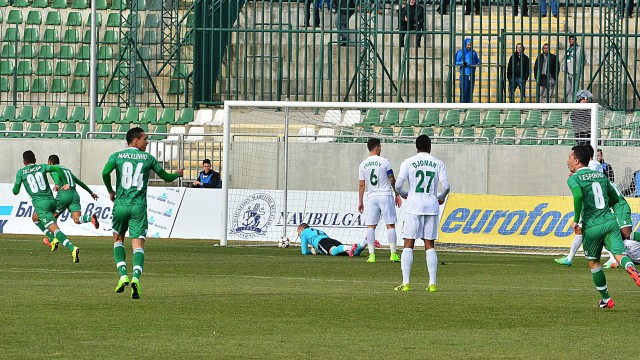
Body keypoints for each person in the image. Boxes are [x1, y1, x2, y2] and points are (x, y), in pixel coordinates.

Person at [102, 127, 184, 299]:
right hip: (138, 207)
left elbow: (105, 172)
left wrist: (110, 190)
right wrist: (176, 173)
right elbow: (167, 178)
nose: (147, 142)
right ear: (135, 141)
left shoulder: (116, 156)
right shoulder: (148, 159)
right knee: (138, 245)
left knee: (118, 239)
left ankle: (123, 275)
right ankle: (136, 278)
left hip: (120, 205)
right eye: (145, 139)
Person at [564, 145, 640, 309]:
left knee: (594, 263)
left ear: (576, 161)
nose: (567, 160)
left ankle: (606, 299)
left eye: (569, 157)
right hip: (610, 221)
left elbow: (577, 195)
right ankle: (633, 270)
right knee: (619, 254)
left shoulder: (574, 178)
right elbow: (614, 198)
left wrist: (576, 219)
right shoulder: (600, 175)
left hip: (592, 226)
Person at [394, 135, 450, 292]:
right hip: (431, 207)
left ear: (416, 147)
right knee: (429, 245)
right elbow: (446, 186)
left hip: (413, 206)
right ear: (430, 147)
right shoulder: (438, 163)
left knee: (408, 243)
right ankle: (432, 283)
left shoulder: (408, 161)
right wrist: (440, 197)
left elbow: (398, 185)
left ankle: (406, 283)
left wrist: (404, 193)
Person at [12, 150, 80, 263]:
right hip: (52, 201)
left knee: (54, 228)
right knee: (35, 218)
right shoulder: (42, 166)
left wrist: (16, 187)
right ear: (35, 160)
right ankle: (53, 239)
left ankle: (72, 248)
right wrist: (65, 182)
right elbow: (58, 169)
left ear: (24, 162)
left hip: (41, 204)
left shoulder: (20, 172)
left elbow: (15, 191)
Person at [556, 144, 603, 266]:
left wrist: (574, 176)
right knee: (583, 230)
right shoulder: (596, 166)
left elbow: (581, 190)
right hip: (597, 202)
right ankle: (570, 258)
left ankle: (570, 258)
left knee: (585, 229)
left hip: (591, 205)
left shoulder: (592, 166)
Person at [357, 138, 402, 263]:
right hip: (385, 195)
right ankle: (393, 254)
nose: (381, 149)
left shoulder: (363, 164)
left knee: (370, 226)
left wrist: (360, 201)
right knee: (390, 224)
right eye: (380, 147)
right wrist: (396, 194)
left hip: (371, 197)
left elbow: (361, 185)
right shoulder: (385, 162)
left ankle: (371, 255)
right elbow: (391, 179)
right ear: (376, 147)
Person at [40, 155, 100, 248]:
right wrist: (91, 192)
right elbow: (79, 182)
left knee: (51, 217)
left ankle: (52, 239)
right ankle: (90, 219)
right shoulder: (67, 170)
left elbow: (55, 175)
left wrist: (56, 184)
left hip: (64, 194)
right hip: (74, 195)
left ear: (50, 162)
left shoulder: (54, 168)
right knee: (77, 219)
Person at [455, 38, 480, 104]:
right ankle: (462, 106)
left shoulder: (473, 52)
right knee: (464, 90)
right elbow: (456, 62)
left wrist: (478, 62)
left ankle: (468, 105)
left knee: (470, 91)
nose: (469, 46)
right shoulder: (461, 52)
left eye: (470, 44)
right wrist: (462, 63)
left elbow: (477, 60)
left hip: (472, 74)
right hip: (464, 74)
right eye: (468, 44)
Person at [561, 35, 585, 103]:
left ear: (575, 40)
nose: (571, 41)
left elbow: (584, 60)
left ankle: (573, 103)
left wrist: (579, 68)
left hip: (575, 71)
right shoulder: (567, 49)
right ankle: (569, 104)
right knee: (567, 89)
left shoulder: (579, 48)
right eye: (570, 39)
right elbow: (564, 58)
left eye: (572, 39)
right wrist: (563, 67)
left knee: (573, 89)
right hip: (567, 71)